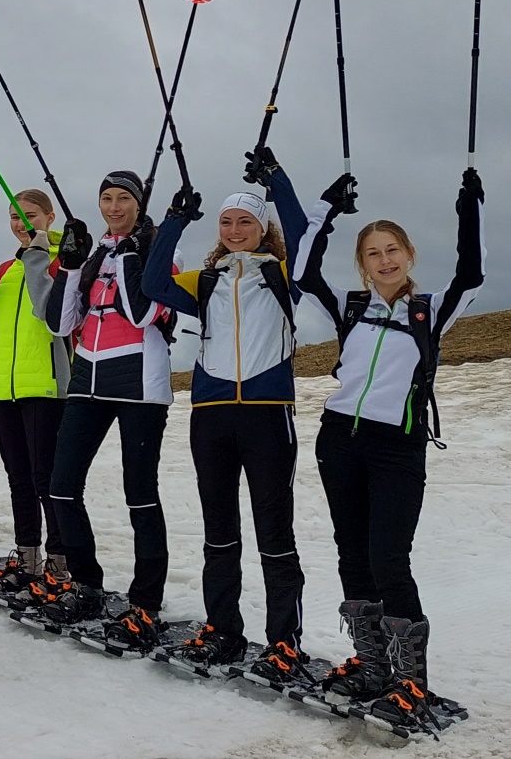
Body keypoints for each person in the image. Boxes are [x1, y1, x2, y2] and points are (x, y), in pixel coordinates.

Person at [294, 168, 483, 737]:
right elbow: (303, 270)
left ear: (408, 253)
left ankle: (411, 684)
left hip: (397, 448)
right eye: (373, 253)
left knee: (388, 561)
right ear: (362, 263)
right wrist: (327, 211)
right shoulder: (351, 309)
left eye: (392, 250)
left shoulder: (429, 313)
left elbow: (470, 274)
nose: (383, 261)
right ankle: (375, 668)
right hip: (340, 439)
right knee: (352, 556)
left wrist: (468, 209)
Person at [137, 146, 327, 665]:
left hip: (267, 415)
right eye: (226, 222)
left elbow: (306, 242)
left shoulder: (283, 275)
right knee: (219, 530)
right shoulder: (206, 281)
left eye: (246, 221)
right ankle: (223, 628)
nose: (235, 229)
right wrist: (175, 221)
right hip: (211, 417)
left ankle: (284, 642)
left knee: (273, 531)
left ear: (263, 228)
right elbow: (151, 284)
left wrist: (276, 180)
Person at [23, 170, 178, 625]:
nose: (114, 207)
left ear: (139, 204)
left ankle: (145, 602)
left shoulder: (159, 251)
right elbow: (60, 322)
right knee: (61, 487)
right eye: (107, 199)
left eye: (123, 199)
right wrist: (71, 265)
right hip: (87, 382)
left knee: (140, 495)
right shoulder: (96, 254)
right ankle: (87, 584)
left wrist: (130, 254)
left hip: (140, 388)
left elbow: (142, 311)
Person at [0, 189, 67, 587]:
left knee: (48, 478)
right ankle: (27, 557)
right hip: (2, 388)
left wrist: (40, 258)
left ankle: (59, 561)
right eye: (14, 217)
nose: (21, 225)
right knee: (18, 477)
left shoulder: (63, 264)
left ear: (50, 217)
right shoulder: (8, 268)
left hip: (44, 385)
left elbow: (50, 314)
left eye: (29, 216)